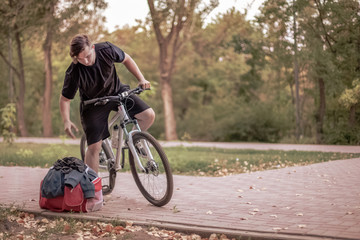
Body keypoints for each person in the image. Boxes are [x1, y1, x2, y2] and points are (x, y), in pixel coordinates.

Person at [59, 34, 155, 173]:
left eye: (87, 56)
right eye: (80, 59)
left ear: (92, 48)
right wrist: (66, 121)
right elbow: (65, 99)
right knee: (94, 148)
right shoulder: (74, 71)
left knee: (148, 115)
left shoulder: (106, 49)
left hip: (116, 92)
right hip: (93, 104)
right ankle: (93, 190)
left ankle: (131, 139)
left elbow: (126, 58)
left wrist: (141, 78)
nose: (85, 61)